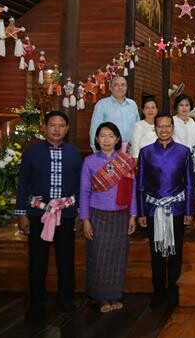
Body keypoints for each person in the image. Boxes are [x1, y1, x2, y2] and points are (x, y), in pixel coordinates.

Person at [16, 111, 82, 319]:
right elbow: (23, 184)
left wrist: (80, 213)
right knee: (37, 260)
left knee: (66, 259)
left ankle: (65, 299)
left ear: (67, 129)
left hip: (66, 213)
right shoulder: (32, 152)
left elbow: (81, 186)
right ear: (44, 128)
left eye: (61, 125)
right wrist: (21, 213)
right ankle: (37, 302)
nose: (56, 129)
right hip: (38, 214)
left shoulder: (74, 153)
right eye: (52, 125)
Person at [137, 114, 195, 308]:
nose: (164, 130)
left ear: (173, 128)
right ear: (155, 128)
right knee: (156, 252)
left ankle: (172, 290)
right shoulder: (145, 152)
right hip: (153, 210)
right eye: (160, 126)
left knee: (175, 251)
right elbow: (141, 185)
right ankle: (158, 292)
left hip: (177, 209)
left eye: (168, 126)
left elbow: (189, 183)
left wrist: (189, 210)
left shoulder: (184, 152)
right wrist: (142, 213)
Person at [80, 122, 137, 313]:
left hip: (120, 215)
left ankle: (114, 295)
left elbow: (133, 191)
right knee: (99, 256)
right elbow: (84, 191)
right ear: (97, 139)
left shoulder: (126, 161)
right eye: (102, 135)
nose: (106, 139)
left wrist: (133, 215)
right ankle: (101, 298)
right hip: (98, 215)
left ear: (117, 139)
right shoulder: (89, 161)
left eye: (111, 135)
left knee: (117, 257)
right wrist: (85, 219)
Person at [89, 75, 139, 152]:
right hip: (109, 151)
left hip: (130, 151)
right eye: (116, 85)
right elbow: (94, 130)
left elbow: (137, 128)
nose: (120, 88)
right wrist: (97, 152)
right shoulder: (102, 104)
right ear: (110, 88)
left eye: (123, 85)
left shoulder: (133, 105)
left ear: (126, 87)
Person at [172, 93, 195, 184]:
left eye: (187, 105)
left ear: (190, 107)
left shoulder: (192, 122)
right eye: (181, 105)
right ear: (176, 107)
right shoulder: (172, 121)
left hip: (192, 161)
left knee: (191, 187)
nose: (184, 108)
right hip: (177, 161)